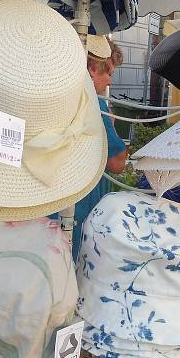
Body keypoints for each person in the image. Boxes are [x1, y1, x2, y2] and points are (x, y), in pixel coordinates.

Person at [68, 36, 127, 260]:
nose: (110, 82)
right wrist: (112, 125)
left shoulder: (58, 96)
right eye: (108, 73)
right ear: (92, 69)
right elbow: (117, 163)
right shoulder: (95, 104)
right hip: (83, 207)